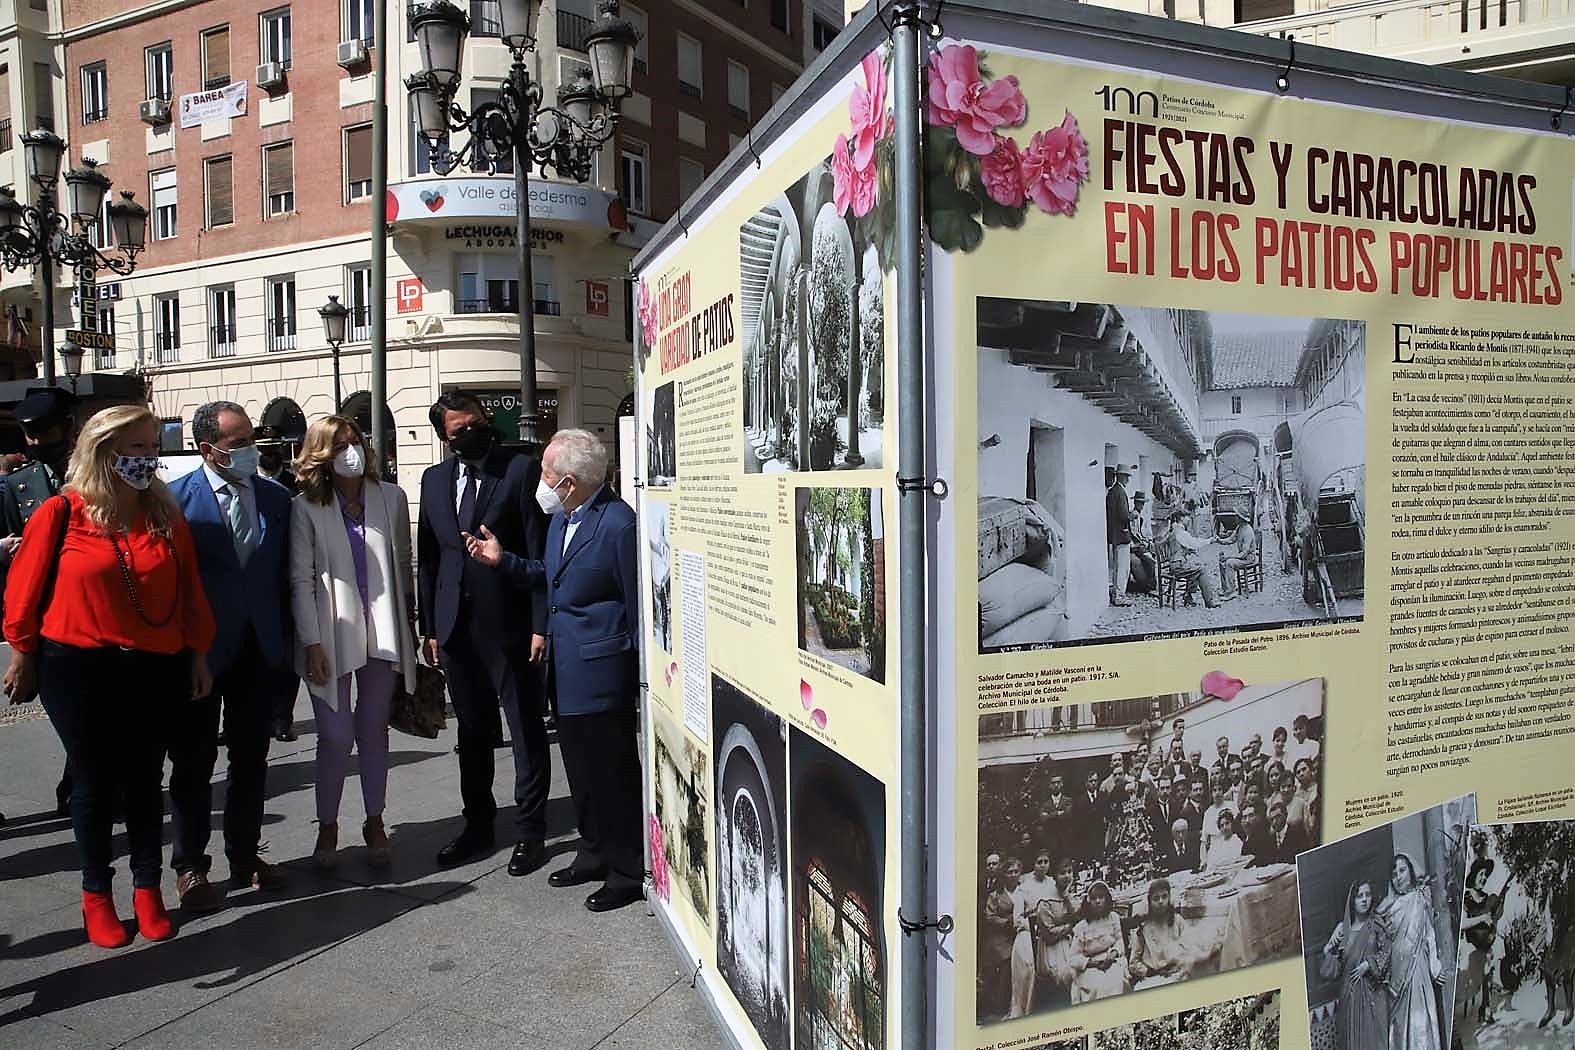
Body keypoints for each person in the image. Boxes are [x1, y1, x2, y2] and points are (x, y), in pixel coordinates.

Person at [2, 405, 215, 947]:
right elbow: (24, 588)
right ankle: (97, 893)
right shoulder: (61, 511)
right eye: (135, 448)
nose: (146, 458)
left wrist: (197, 653)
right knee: (94, 782)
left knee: (145, 778)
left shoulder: (164, 514)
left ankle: (148, 890)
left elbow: (190, 588)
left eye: (151, 447)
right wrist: (22, 651)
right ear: (102, 450)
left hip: (155, 662)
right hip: (76, 665)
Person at [465, 428, 641, 911]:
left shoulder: (618, 524)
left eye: (546, 473)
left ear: (571, 480)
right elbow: (551, 575)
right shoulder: (565, 518)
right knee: (581, 774)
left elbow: (635, 604)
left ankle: (627, 870)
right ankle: (593, 852)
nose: (539, 481)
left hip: (603, 675)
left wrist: (633, 674)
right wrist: (504, 561)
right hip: (564, 671)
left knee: (612, 776)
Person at [167, 402, 294, 911]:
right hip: (199, 655)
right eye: (238, 443)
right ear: (208, 450)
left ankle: (245, 854)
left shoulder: (277, 499)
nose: (250, 450)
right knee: (193, 763)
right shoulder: (175, 503)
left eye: (251, 440)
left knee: (251, 760)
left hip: (259, 651)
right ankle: (191, 867)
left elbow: (285, 575)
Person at [417, 392, 551, 876]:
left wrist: (541, 623)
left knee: (525, 730)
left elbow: (539, 549)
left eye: (476, 422)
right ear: (445, 438)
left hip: (511, 626)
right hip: (455, 629)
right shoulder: (433, 482)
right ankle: (477, 825)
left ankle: (530, 831)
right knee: (472, 735)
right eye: (459, 429)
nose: (471, 432)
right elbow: (430, 560)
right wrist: (429, 627)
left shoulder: (518, 470)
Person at [289, 416, 417, 870]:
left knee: (373, 730)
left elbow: (403, 565)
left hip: (383, 631)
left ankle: (374, 818)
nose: (352, 451)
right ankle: (328, 824)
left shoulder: (391, 497)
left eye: (356, 441)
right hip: (329, 635)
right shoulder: (306, 508)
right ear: (321, 454)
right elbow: (300, 579)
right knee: (335, 737)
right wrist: (310, 642)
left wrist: (411, 630)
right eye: (340, 445)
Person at [0, 388, 78, 817]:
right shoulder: (16, 486)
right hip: (45, 618)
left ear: (67, 429)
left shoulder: (95, 474)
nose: (34, 442)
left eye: (43, 432)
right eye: (28, 434)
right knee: (68, 712)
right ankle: (82, 782)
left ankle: (79, 783)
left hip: (93, 612)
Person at [1379, 852, 1446, 1050]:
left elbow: (1429, 935)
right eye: (1394, 874)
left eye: (1402, 870)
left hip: (1417, 970)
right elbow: (1384, 945)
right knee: (1400, 1027)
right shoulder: (1389, 909)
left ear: (1410, 871)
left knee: (1420, 1020)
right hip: (1396, 977)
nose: (1398, 877)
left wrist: (1435, 966)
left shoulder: (1419, 898)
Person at [1321, 879, 1391, 1050]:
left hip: (1374, 995)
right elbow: (1330, 972)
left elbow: (1388, 951)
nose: (1365, 899)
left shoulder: (1376, 924)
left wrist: (1369, 964)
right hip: (1349, 998)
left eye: (1367, 895)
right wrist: (1328, 949)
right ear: (1352, 900)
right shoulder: (1343, 930)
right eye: (1360, 896)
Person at [1130, 878, 1207, 984]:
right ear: (1149, 902)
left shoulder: (1177, 920)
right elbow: (1134, 962)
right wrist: (1148, 971)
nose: (1161, 901)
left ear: (1170, 897)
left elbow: (1190, 944)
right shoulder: (1144, 928)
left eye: (1164, 896)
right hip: (1153, 976)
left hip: (1178, 971)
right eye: (1156, 898)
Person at [1457, 860, 1500, 1050]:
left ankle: (1487, 1005)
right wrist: (1482, 918)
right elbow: (1462, 924)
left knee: (1492, 954)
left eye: (1485, 875)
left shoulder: (1486, 898)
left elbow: (1492, 920)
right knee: (1478, 959)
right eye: (1480, 874)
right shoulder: (1466, 897)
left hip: (1484, 946)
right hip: (1469, 946)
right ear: (1473, 876)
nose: (1483, 878)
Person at [1160, 507, 1234, 608]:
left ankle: (1188, 597)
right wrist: (1210, 540)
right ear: (1181, 519)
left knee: (1195, 566)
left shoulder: (1175, 530)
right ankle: (1209, 602)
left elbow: (1178, 547)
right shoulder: (1180, 532)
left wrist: (1186, 550)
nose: (1189, 520)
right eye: (1187, 518)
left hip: (1176, 564)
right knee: (1201, 570)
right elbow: (1194, 543)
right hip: (1177, 566)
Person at [1031, 857, 1080, 1004]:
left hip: (1070, 940)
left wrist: (1067, 898)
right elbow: (1049, 934)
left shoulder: (1067, 895)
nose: (1067, 876)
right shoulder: (1045, 901)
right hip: (1053, 948)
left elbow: (1078, 916)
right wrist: (1070, 926)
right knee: (1069, 973)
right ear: (1054, 876)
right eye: (1062, 873)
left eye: (1069, 872)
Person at [1070, 880, 1128, 1002]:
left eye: (1101, 897)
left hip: (1110, 958)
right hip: (1089, 965)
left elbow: (1119, 941)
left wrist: (1113, 954)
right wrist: (1093, 963)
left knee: (1115, 980)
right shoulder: (1082, 927)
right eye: (1094, 898)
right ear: (1088, 901)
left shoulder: (1113, 918)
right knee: (1097, 985)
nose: (1097, 901)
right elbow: (1074, 958)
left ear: (1106, 899)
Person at [980, 855, 1020, 1019]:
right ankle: (999, 1004)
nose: (1012, 875)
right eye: (1009, 872)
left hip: (1020, 933)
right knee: (1005, 960)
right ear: (1004, 875)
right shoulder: (995, 895)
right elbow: (989, 916)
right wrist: (1006, 922)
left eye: (1016, 872)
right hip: (1001, 936)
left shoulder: (1023, 890)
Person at [1106, 466, 1133, 607]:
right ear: (1121, 476)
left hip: (1115, 534)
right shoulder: (1120, 492)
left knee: (1117, 566)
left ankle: (1116, 593)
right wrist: (1131, 516)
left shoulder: (1112, 492)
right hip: (1121, 534)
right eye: (1126, 476)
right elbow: (1123, 515)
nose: (1128, 479)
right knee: (1122, 567)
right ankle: (1119, 596)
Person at [1216, 513, 1259, 598]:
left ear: (1241, 518)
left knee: (1229, 563)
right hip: (1243, 557)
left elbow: (1244, 553)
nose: (1235, 518)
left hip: (1248, 559)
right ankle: (1226, 589)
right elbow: (1231, 539)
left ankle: (1231, 591)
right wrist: (1220, 540)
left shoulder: (1247, 531)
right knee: (1222, 561)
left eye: (1237, 516)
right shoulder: (1239, 527)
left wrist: (1229, 557)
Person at [1127, 490, 1156, 594]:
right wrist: (1140, 543)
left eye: (1143, 503)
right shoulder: (1133, 515)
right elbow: (1133, 533)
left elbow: (1139, 533)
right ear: (1135, 503)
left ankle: (1150, 583)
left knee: (1152, 553)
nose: (1141, 505)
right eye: (1139, 503)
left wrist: (1146, 541)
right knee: (1150, 560)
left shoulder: (1140, 517)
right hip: (1134, 545)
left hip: (1138, 544)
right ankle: (1149, 585)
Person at [1288, 757, 1320, 837]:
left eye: (1304, 769)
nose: (1301, 773)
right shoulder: (1295, 795)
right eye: (1298, 772)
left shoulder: (1319, 789)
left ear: (1311, 770)